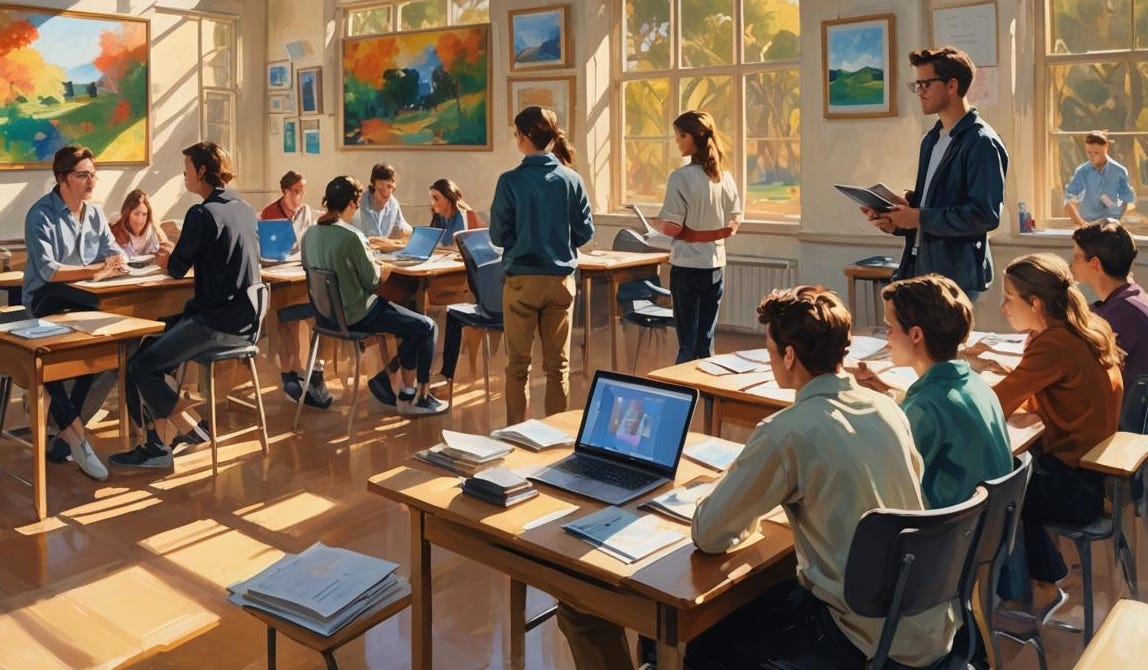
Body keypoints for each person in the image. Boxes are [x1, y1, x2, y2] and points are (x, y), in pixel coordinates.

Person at [557, 287, 956, 670]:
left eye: (769, 351)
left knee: (686, 636)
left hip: (855, 635)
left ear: (789, 356)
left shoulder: (786, 431)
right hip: (922, 620)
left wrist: (733, 502)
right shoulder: (886, 407)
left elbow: (710, 534)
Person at [109, 142, 263, 469]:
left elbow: (177, 267)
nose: (183, 176)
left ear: (202, 171)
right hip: (245, 321)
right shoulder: (244, 208)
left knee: (140, 366)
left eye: (187, 169)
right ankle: (162, 441)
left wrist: (166, 257)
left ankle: (188, 427)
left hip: (216, 322)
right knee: (149, 351)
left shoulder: (202, 213)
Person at [992, 253, 1122, 619]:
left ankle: (1038, 586)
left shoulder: (1053, 344)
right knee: (1015, 475)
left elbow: (997, 403)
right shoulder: (1084, 327)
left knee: (997, 487)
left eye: (1008, 298)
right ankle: (1043, 578)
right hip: (1097, 478)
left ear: (1035, 303)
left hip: (1076, 487)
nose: (1002, 307)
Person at [862, 46, 1008, 301]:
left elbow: (984, 215)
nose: (919, 92)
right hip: (919, 268)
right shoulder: (932, 139)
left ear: (952, 85)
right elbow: (930, 209)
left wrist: (918, 217)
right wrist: (897, 218)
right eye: (916, 85)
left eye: (925, 84)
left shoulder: (981, 142)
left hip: (954, 278)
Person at [858, 274, 1012, 509]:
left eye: (890, 328)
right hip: (987, 533)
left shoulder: (925, 407)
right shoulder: (975, 383)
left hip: (945, 537)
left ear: (916, 335)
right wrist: (883, 388)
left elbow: (887, 480)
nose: (887, 337)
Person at [22, 145, 128, 480]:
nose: (90, 181)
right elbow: (51, 272)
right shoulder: (41, 214)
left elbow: (114, 251)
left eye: (93, 175)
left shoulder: (95, 213)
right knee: (56, 354)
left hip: (85, 299)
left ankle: (68, 431)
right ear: (62, 178)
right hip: (44, 299)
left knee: (97, 353)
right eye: (83, 175)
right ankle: (76, 437)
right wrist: (96, 268)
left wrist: (118, 262)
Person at [302, 176, 447, 415]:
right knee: (426, 326)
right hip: (358, 314)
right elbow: (372, 281)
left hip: (327, 318)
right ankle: (417, 396)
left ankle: (394, 383)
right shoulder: (351, 236)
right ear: (352, 203)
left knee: (411, 323)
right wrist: (386, 268)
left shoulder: (310, 235)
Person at [490, 106, 594, 425]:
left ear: (523, 138)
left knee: (518, 368)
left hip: (521, 281)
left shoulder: (510, 181)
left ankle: (516, 436)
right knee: (557, 367)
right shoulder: (571, 179)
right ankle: (555, 438)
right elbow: (585, 231)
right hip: (560, 281)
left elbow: (497, 233)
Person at [652, 110, 741, 363]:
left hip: (687, 267)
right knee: (706, 340)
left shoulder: (680, 178)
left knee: (687, 343)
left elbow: (672, 228)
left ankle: (683, 394)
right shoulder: (725, 178)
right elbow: (733, 225)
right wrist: (707, 234)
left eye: (679, 136)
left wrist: (655, 224)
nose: (677, 142)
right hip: (715, 266)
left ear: (691, 137)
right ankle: (707, 396)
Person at [260, 171, 331, 409]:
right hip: (278, 275)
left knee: (317, 315)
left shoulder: (306, 213)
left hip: (300, 273)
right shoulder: (270, 214)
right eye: (296, 191)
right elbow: (268, 250)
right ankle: (288, 370)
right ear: (286, 191)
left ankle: (311, 368)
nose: (300, 197)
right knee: (285, 321)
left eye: (302, 192)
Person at [1070, 219, 1148, 388]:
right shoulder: (1132, 299)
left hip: (1127, 412)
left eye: (1077, 257)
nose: (1072, 263)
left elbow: (1079, 376)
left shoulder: (1119, 316)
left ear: (1095, 264)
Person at [1064, 131, 1136, 227]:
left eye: (1096, 153)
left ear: (1106, 148)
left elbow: (1127, 199)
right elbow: (1069, 199)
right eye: (1089, 152)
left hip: (1111, 225)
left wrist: (1116, 221)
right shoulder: (1082, 172)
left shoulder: (1119, 171)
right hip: (1087, 225)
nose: (1092, 156)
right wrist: (1080, 222)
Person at [352, 162, 412, 246]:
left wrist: (402, 237)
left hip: (384, 253)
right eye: (380, 189)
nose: (386, 193)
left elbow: (405, 230)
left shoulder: (392, 203)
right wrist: (396, 243)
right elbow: (373, 239)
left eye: (389, 187)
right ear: (373, 185)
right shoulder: (362, 202)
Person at [110, 189, 171, 259]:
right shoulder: (118, 230)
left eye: (144, 214)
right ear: (128, 214)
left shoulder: (150, 231)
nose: (140, 220)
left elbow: (162, 250)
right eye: (136, 214)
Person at [428, 178, 469, 244]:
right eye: (432, 198)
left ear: (449, 198)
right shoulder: (438, 217)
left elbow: (452, 244)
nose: (432, 203)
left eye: (436, 198)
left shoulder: (462, 218)